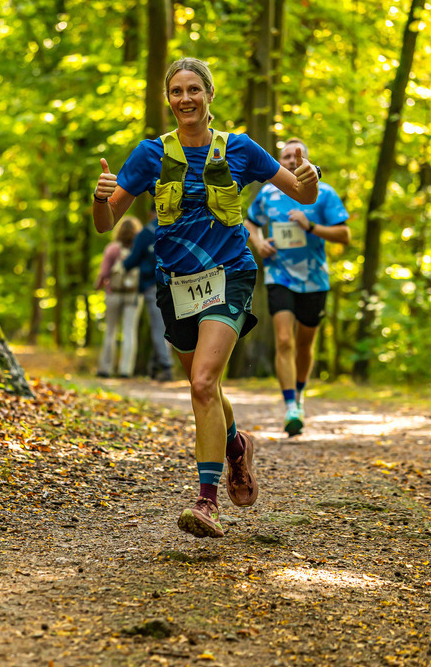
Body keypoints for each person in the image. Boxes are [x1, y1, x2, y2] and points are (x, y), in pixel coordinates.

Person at [92, 57, 319, 538]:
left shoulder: (240, 149)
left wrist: (311, 178)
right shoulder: (150, 154)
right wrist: (99, 196)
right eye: (176, 91)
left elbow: (299, 194)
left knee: (201, 384)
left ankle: (206, 501)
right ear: (168, 100)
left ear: (209, 95)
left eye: (194, 89)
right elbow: (105, 223)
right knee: (206, 389)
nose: (186, 99)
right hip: (175, 284)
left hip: (229, 274)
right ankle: (236, 447)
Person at [245, 137, 350, 436]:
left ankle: (300, 395)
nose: (292, 160)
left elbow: (344, 235)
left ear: (305, 159)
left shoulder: (325, 194)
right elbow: (251, 222)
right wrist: (259, 242)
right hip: (279, 275)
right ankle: (290, 406)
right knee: (284, 341)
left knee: (304, 343)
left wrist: (311, 226)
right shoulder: (267, 193)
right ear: (279, 161)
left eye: (297, 155)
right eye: (286, 156)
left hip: (315, 280)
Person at [122, 204, 174, 382]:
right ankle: (155, 366)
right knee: (168, 325)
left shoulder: (145, 234)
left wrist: (123, 265)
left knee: (159, 327)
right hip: (178, 284)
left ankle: (166, 367)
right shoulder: (175, 229)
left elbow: (132, 260)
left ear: (151, 212)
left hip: (154, 285)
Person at [94, 216, 143, 379]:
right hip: (133, 294)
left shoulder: (113, 248)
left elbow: (104, 273)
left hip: (114, 293)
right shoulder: (139, 248)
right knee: (130, 331)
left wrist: (98, 285)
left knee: (110, 331)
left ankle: (105, 368)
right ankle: (125, 370)